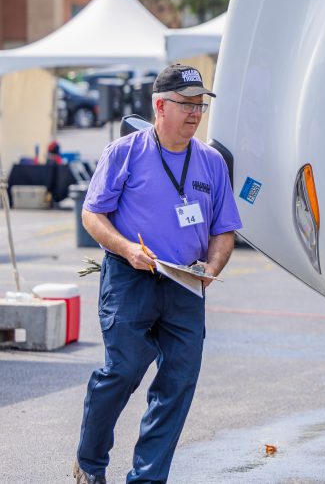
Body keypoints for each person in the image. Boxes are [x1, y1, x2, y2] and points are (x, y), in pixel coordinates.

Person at [73, 64, 243, 484]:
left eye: (200, 105)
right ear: (159, 106)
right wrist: (127, 248)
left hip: (185, 283)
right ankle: (90, 463)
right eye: (186, 104)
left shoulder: (212, 162)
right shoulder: (124, 153)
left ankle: (147, 479)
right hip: (131, 276)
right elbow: (92, 215)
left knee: (178, 382)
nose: (195, 113)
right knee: (124, 369)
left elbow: (224, 230)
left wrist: (212, 267)